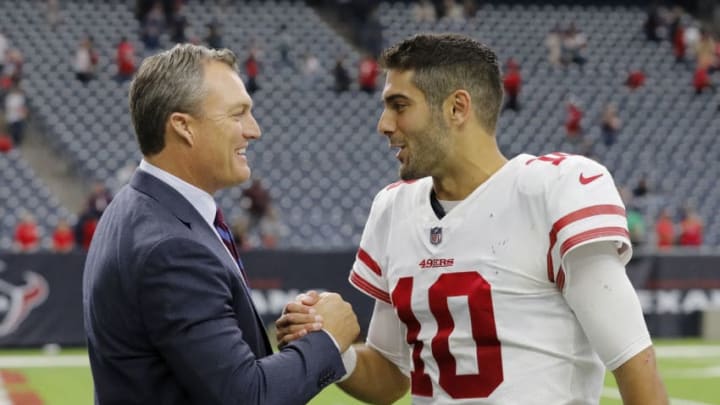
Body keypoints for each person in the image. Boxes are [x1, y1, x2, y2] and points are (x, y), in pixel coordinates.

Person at [278, 34, 667, 404]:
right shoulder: (393, 208)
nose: (384, 124)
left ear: (457, 108)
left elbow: (635, 367)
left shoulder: (550, 191)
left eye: (399, 105)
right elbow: (390, 376)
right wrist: (332, 346)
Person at [83, 43, 359, 404]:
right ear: (184, 127)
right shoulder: (172, 247)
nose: (254, 130)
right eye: (237, 114)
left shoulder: (140, 209)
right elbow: (247, 397)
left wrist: (294, 347)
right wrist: (329, 341)